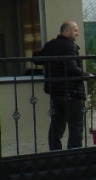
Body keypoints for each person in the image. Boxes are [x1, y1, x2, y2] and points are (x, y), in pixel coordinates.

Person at [36, 20, 89, 150]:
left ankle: (56, 154)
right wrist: (86, 75)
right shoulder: (69, 46)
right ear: (66, 31)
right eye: (75, 30)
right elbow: (71, 68)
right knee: (75, 127)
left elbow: (36, 59)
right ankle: (74, 157)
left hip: (56, 92)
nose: (77, 33)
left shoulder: (51, 45)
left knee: (57, 125)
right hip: (72, 92)